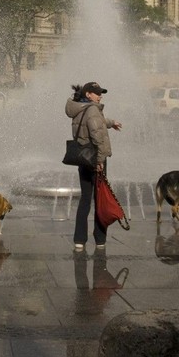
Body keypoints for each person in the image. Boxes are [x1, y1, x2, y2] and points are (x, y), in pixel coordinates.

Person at [65, 81, 122, 251]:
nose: (100, 95)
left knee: (85, 199)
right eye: (97, 93)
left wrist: (111, 123)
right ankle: (100, 239)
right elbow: (97, 135)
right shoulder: (92, 109)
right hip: (96, 159)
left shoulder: (79, 108)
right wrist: (99, 162)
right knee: (99, 198)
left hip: (83, 158)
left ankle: (79, 240)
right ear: (88, 94)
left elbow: (97, 122)